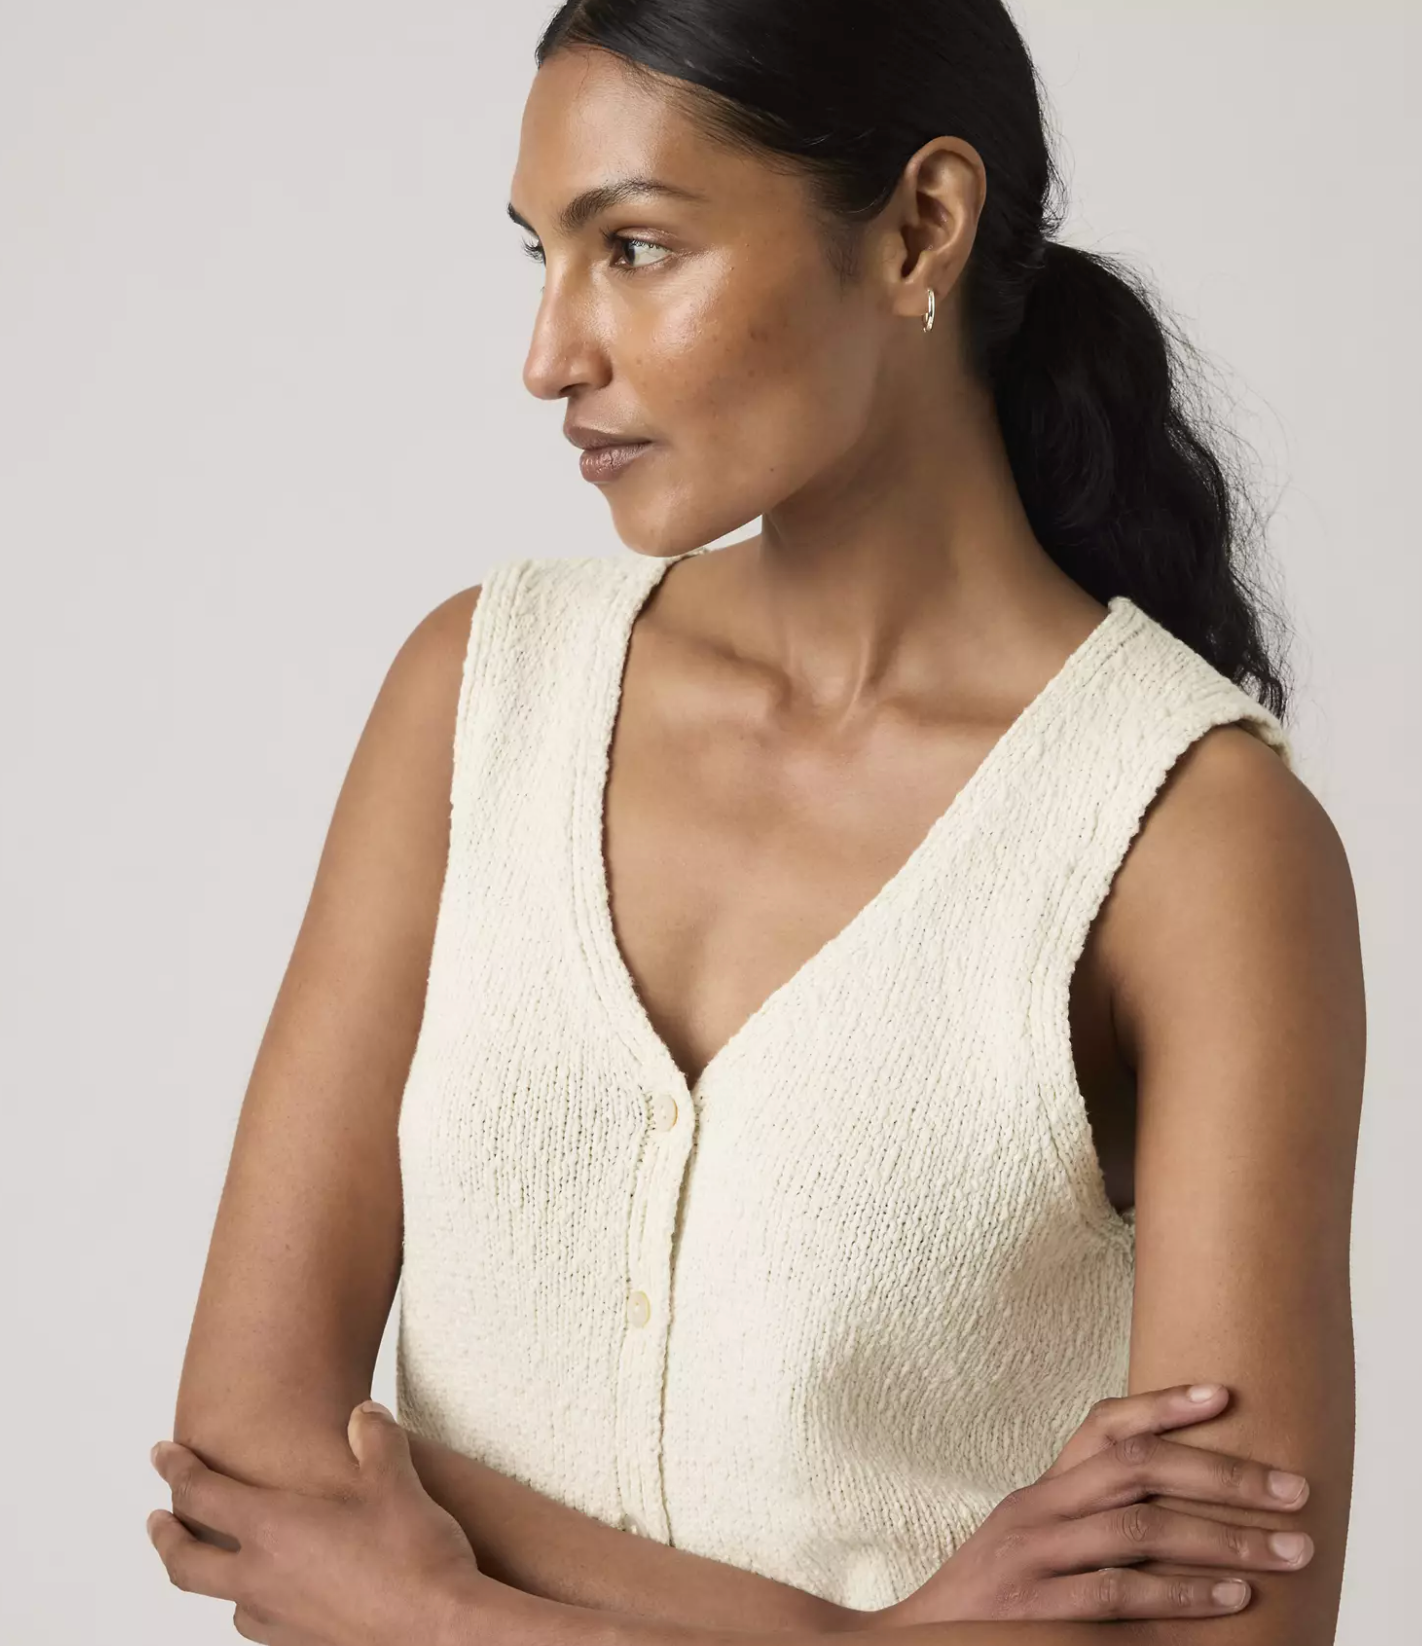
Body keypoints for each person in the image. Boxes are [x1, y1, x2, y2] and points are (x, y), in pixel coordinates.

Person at [149, 4, 1362, 1643]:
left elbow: (1232, 1626)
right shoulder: (479, 696)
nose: (549, 355)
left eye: (635, 249)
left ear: (918, 227)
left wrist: (432, 1608)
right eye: (542, 256)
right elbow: (244, 1453)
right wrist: (872, 1638)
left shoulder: (1191, 838)